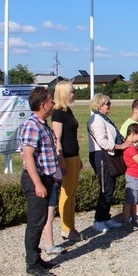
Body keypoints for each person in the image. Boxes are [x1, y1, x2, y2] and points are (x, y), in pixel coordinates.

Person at [18, 87, 60, 276]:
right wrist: (38, 184)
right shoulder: (32, 125)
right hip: (36, 180)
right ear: (43, 105)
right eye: (51, 101)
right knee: (35, 223)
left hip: (46, 178)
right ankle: (32, 264)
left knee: (41, 220)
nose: (53, 104)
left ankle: (37, 258)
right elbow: (28, 157)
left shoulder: (42, 124)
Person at [87, 94, 132, 232]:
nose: (110, 106)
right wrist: (121, 146)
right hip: (101, 156)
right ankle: (98, 220)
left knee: (110, 188)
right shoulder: (96, 120)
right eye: (107, 103)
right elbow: (103, 142)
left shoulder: (103, 118)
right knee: (105, 189)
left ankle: (106, 217)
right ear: (99, 105)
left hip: (106, 155)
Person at [51, 80, 82, 242]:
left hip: (74, 156)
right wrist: (61, 162)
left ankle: (71, 226)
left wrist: (79, 158)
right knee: (66, 193)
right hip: (67, 157)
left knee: (72, 193)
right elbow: (57, 140)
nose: (74, 94)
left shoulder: (67, 111)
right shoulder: (58, 113)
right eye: (71, 92)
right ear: (63, 94)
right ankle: (65, 228)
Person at [121, 123, 138, 227]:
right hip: (133, 176)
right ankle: (126, 221)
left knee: (134, 199)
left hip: (136, 175)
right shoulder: (130, 148)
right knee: (130, 200)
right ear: (132, 134)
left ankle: (134, 219)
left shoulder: (130, 146)